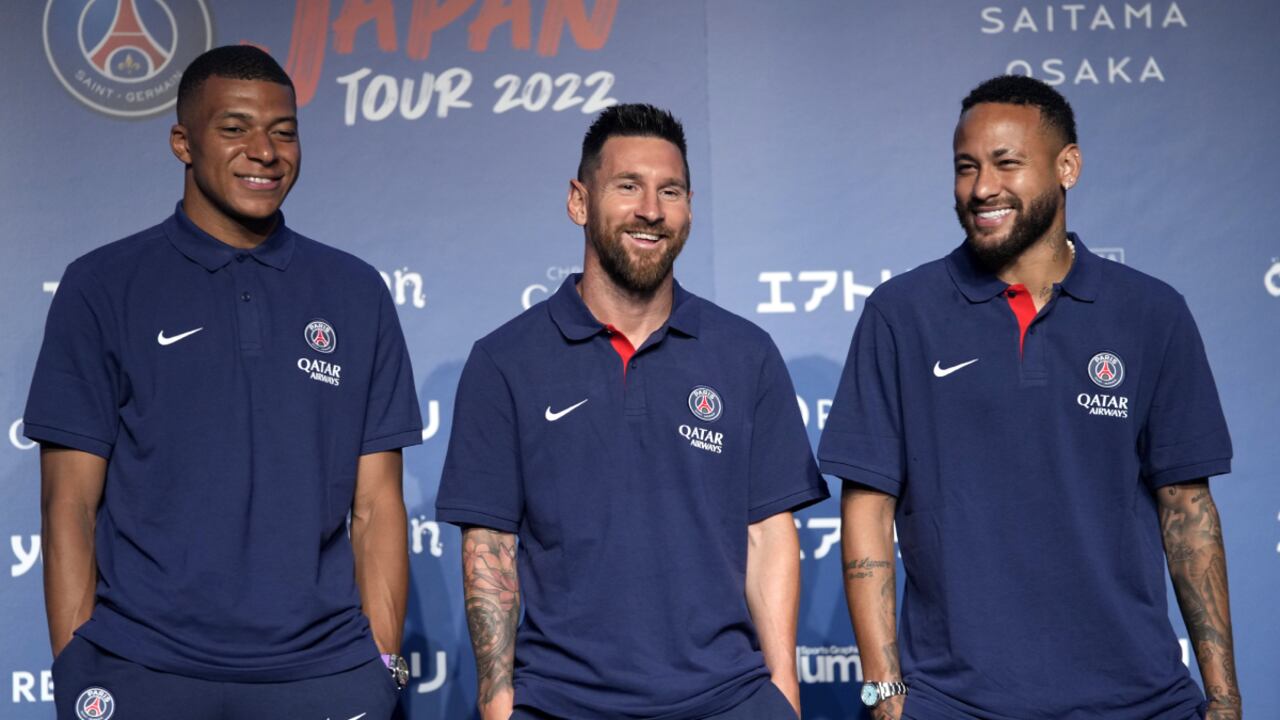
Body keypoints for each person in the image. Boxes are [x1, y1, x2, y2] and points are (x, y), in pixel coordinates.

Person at [818, 74, 1241, 720]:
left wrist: (1223, 697)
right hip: (954, 704)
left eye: (1005, 163)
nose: (982, 186)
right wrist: (883, 692)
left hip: (1138, 702)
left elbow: (1187, 510)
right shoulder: (902, 314)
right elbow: (868, 510)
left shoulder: (1151, 313)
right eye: (966, 167)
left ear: (1067, 166)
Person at [25, 45, 421, 720]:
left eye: (284, 131)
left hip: (323, 674)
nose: (264, 152)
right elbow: (68, 504)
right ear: (183, 141)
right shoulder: (102, 285)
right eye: (234, 128)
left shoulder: (355, 293)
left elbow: (378, 507)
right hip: (143, 668)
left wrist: (381, 667)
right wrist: (75, 665)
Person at [436, 103, 828, 719]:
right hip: (560, 704)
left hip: (728, 701)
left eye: (669, 190)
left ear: (689, 208)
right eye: (628, 186)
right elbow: (490, 546)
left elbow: (768, 536)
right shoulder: (505, 361)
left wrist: (784, 692)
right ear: (578, 201)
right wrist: (497, 704)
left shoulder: (744, 353)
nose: (651, 209)